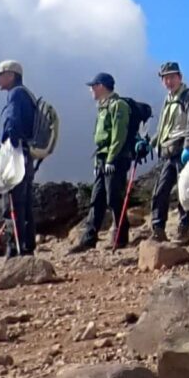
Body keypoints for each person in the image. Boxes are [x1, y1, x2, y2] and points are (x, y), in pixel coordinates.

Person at [148, 61, 189, 244]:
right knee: (160, 191)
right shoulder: (168, 99)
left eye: (172, 77)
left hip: (184, 149)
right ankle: (158, 229)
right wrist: (151, 142)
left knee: (186, 191)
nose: (168, 81)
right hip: (168, 152)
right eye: (165, 78)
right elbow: (164, 127)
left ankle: (183, 230)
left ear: (180, 77)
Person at [70, 73, 136, 252]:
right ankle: (88, 239)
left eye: (93, 86)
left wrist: (112, 158)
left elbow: (118, 135)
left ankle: (121, 237)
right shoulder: (102, 107)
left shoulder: (118, 105)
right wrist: (98, 164)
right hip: (102, 158)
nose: (91, 89)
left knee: (113, 197)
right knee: (97, 199)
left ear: (102, 86)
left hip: (115, 159)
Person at [0, 58, 43, 254]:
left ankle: (16, 252)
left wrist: (7, 149)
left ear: (11, 75)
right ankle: (27, 248)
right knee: (25, 203)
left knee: (12, 205)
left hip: (16, 154)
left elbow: (12, 122)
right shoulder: (27, 94)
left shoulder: (15, 94)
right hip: (27, 154)